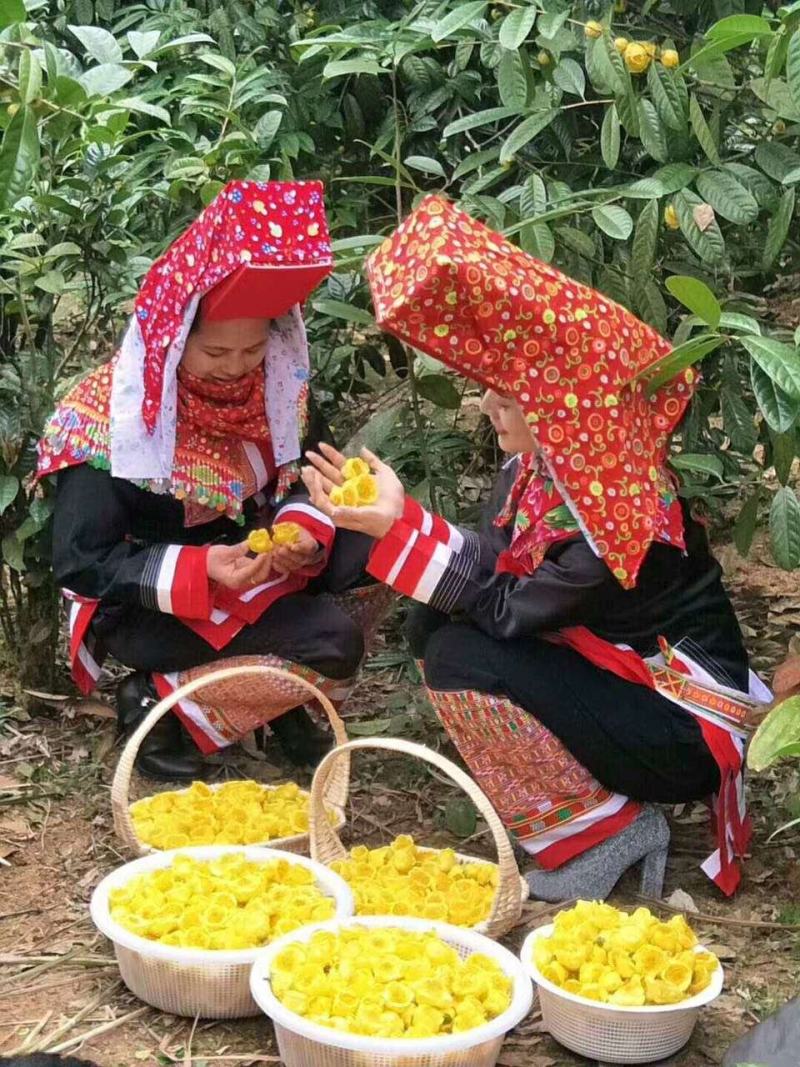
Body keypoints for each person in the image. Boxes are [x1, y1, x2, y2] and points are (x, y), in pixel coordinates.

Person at [302, 195, 771, 901]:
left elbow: (511, 610)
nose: (490, 407)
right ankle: (599, 817)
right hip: (620, 680)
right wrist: (402, 519)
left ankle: (607, 830)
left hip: (683, 729)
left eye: (508, 394)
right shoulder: (548, 471)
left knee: (459, 653)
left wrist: (398, 527)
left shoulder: (617, 517)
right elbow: (496, 562)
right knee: (436, 626)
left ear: (562, 409)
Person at [38, 180, 371, 780]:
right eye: (216, 354)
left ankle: (271, 702)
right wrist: (202, 568)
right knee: (332, 639)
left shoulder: (278, 387)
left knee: (379, 548)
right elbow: (80, 562)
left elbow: (312, 476)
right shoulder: (107, 420)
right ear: (170, 343)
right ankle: (161, 708)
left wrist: (299, 533)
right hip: (147, 600)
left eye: (252, 351)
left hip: (256, 567)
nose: (236, 371)